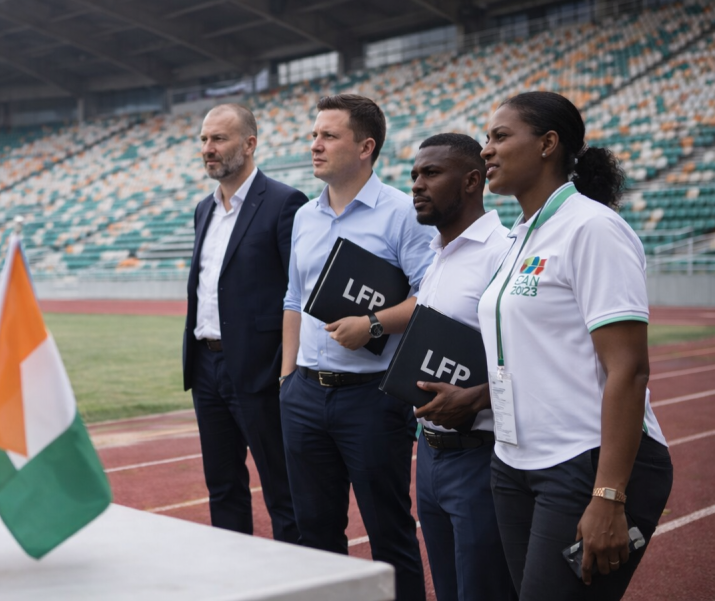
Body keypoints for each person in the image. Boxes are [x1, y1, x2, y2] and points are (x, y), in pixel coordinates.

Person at [478, 91, 674, 600]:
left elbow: (628, 370)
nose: (486, 150)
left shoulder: (592, 228)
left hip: (586, 463)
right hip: (516, 462)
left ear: (547, 144)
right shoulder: (521, 233)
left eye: (500, 136)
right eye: (486, 138)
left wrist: (609, 495)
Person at [280, 93, 434, 601]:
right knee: (316, 536)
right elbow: (293, 300)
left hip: (372, 398)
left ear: (366, 147)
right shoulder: (305, 216)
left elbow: (431, 297)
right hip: (303, 395)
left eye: (328, 135)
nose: (314, 145)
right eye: (314, 134)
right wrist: (287, 379)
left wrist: (372, 323)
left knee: (389, 533)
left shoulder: (402, 214)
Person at [183, 103, 306, 543]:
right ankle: (234, 577)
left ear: (249, 143)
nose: (208, 149)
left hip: (259, 370)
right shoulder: (204, 209)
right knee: (223, 486)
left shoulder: (284, 202)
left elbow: (299, 291)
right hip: (206, 366)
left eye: (218, 139)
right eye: (203, 140)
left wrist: (284, 369)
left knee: (282, 489)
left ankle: (300, 584)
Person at [406, 133, 517, 601]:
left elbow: (533, 357)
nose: (416, 184)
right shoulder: (438, 254)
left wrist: (476, 399)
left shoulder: (503, 252)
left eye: (431, 173)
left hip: (480, 453)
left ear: (473, 181)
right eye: (414, 174)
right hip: (430, 453)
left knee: (484, 590)